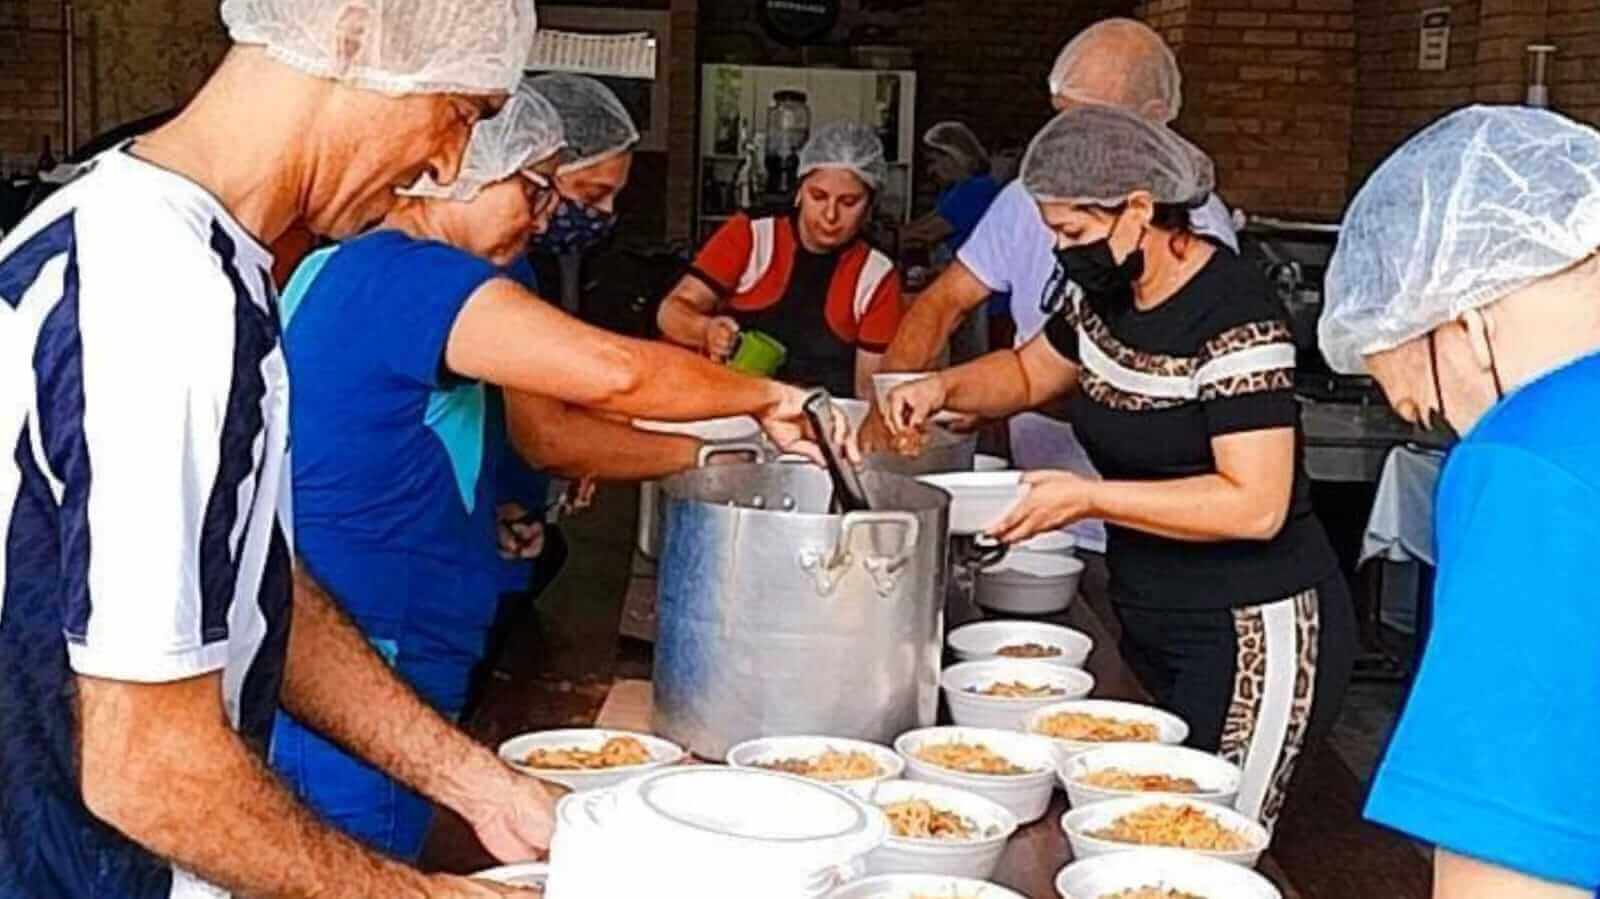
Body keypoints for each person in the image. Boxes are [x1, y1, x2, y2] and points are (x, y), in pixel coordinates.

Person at [0, 1, 562, 896]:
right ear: (353, 29)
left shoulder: (169, 239)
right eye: (458, 112)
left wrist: (476, 784)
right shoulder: (162, 295)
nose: (447, 164)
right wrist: (430, 893)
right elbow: (146, 766)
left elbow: (241, 579)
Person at [270, 79, 836, 861]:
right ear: (465, 165)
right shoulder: (416, 276)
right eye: (534, 192)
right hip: (366, 656)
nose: (542, 220)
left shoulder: (337, 267)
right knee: (343, 863)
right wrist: (767, 399)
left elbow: (395, 438)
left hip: (370, 646)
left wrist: (477, 510)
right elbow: (610, 373)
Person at [882, 106, 1353, 831]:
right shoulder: (1103, 292)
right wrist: (941, 387)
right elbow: (1028, 371)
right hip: (1154, 610)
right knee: (1136, 823)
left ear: (1139, 209)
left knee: (1196, 837)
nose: (1064, 251)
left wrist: (1089, 499)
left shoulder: (1232, 311)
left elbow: (1253, 501)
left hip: (1251, 626)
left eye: (1072, 232)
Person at [1319, 105, 1600, 899]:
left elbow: (1511, 876)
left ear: (1465, 324)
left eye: (1426, 407)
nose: (1447, 430)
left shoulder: (1532, 458)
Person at [857, 17, 1238, 454]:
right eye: (1060, 118)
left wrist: (988, 398)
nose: (1066, 142)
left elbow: (1140, 385)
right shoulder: (1034, 202)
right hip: (1043, 489)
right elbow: (959, 316)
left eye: (1073, 230)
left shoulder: (1195, 240)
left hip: (1139, 499)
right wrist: (901, 395)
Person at [657, 121, 906, 400]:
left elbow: (868, 390)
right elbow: (670, 313)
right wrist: (705, 331)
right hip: (725, 406)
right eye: (818, 196)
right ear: (799, 191)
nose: (830, 215)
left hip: (815, 422)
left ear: (870, 206)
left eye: (849, 202)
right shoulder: (752, 234)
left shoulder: (875, 276)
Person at [900, 121, 1008, 363]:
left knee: (976, 366)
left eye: (934, 162)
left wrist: (886, 235)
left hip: (985, 304)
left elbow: (928, 231)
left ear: (954, 157)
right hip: (968, 297)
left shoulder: (976, 190)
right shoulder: (952, 192)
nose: (931, 171)